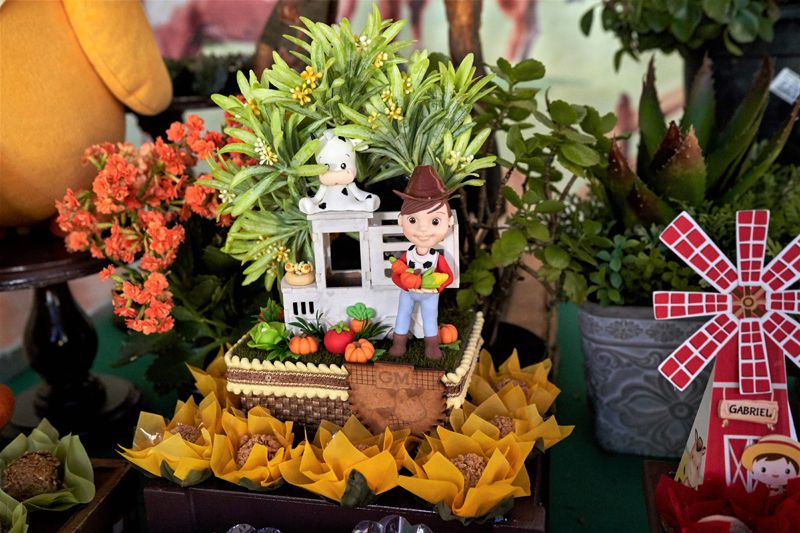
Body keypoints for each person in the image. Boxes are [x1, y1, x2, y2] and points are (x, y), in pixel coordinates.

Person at [388, 166, 454, 360]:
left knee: (430, 318)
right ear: (401, 220)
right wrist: (405, 284)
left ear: (449, 222)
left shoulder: (436, 258)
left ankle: (431, 346)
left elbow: (448, 276)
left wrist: (437, 287)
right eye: (413, 220)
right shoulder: (407, 255)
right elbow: (396, 273)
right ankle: (399, 343)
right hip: (407, 292)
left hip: (430, 294)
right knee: (402, 314)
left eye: (435, 221)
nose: (423, 229)